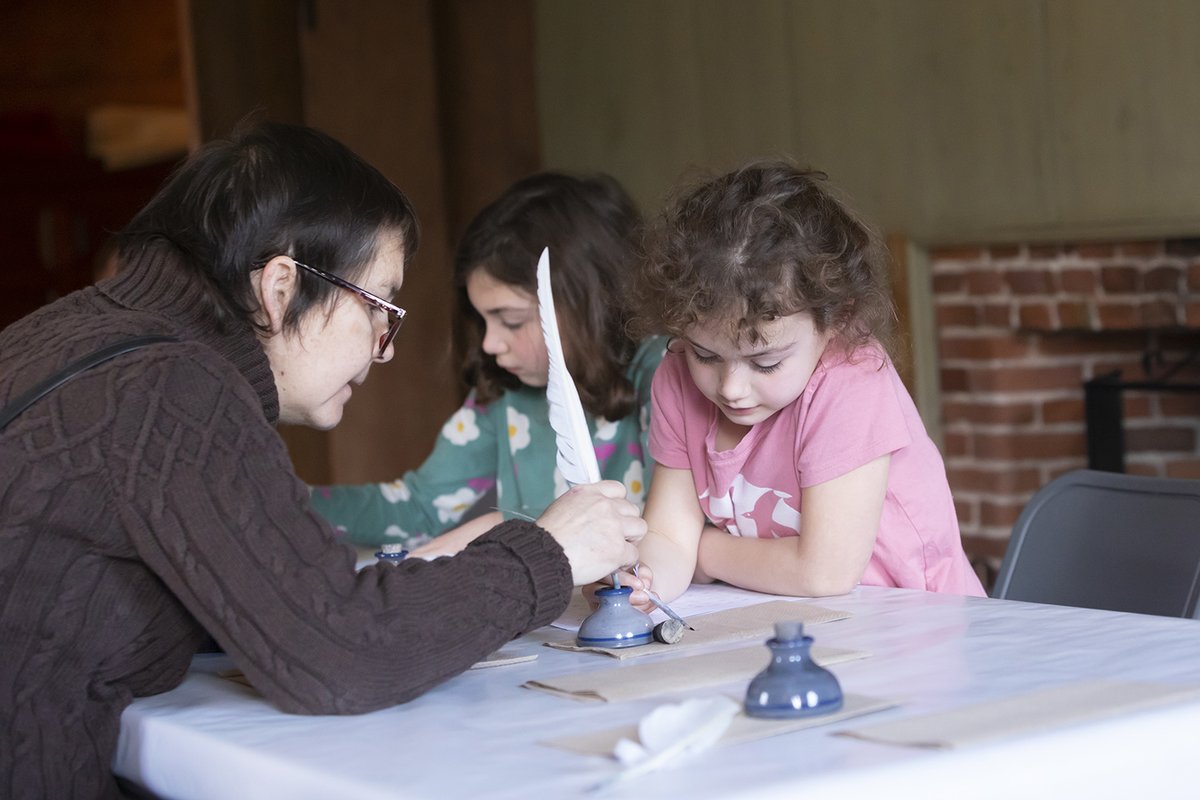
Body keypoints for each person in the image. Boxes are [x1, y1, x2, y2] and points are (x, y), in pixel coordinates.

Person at [0, 121, 644, 799]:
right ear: (281, 288)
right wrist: (549, 553)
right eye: (378, 308)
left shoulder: (58, 337)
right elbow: (343, 651)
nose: (384, 348)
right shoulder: (176, 389)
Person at [623, 161, 984, 608]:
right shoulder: (677, 379)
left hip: (917, 618)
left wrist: (706, 551)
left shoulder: (852, 381)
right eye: (706, 355)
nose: (732, 387)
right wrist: (642, 581)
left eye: (766, 362)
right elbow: (668, 537)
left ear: (837, 319)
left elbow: (824, 572)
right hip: (797, 621)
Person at [309, 172, 666, 557]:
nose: (490, 343)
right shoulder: (502, 395)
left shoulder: (663, 374)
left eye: (511, 321)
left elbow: (669, 530)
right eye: (483, 321)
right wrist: (283, 501)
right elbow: (418, 509)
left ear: (587, 303)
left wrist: (505, 527)